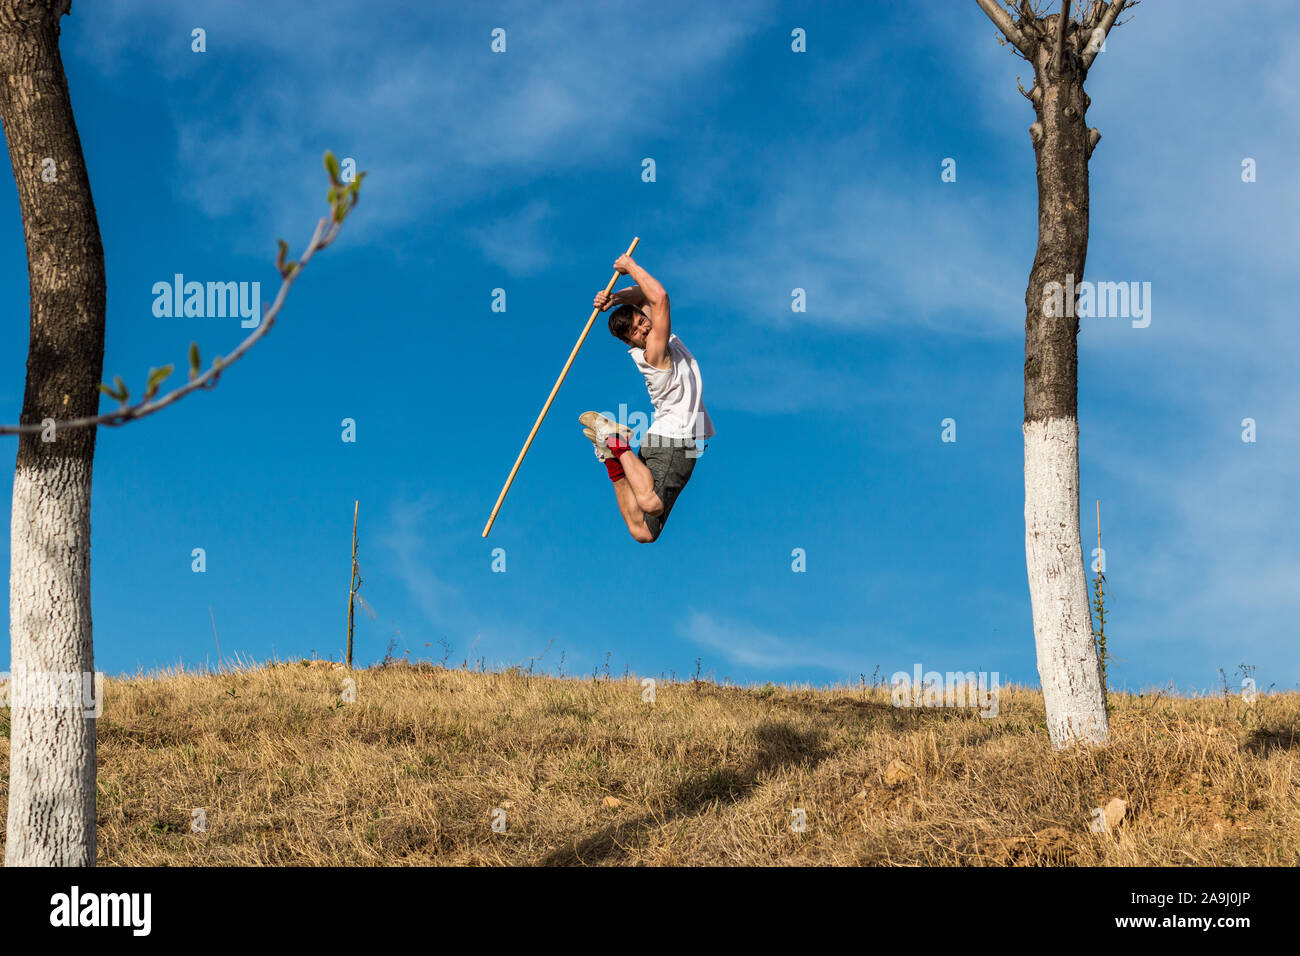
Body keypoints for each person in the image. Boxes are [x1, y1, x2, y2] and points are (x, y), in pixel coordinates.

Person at [581, 253, 714, 542]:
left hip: (664, 438)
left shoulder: (657, 339)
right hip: (676, 442)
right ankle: (615, 441)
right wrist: (630, 266)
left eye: (642, 321)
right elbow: (660, 297)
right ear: (630, 342)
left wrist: (614, 298)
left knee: (641, 531)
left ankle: (611, 454)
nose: (644, 327)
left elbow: (645, 296)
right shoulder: (655, 352)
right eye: (636, 330)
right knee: (650, 505)